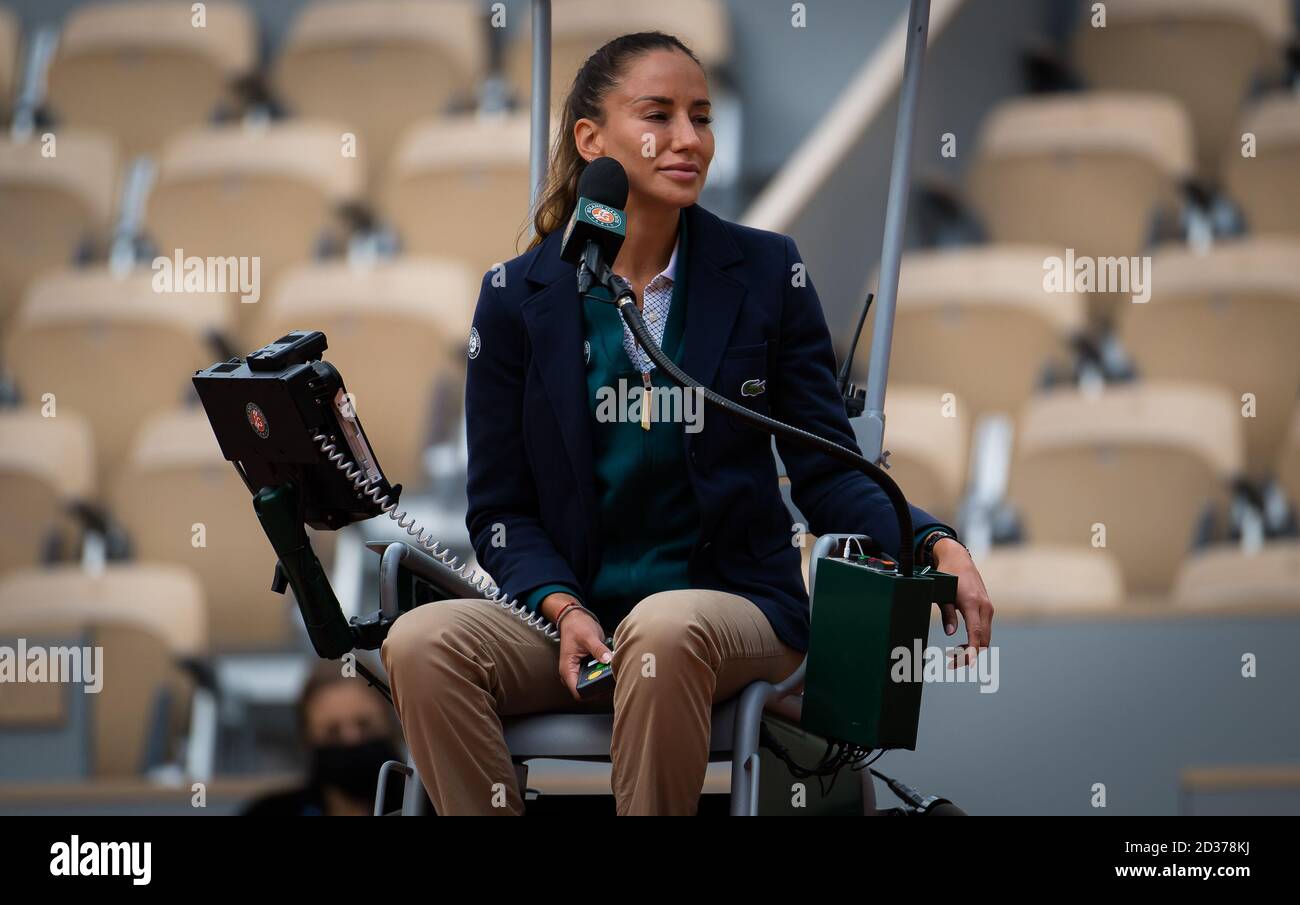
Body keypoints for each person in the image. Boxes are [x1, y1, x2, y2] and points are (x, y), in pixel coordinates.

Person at [382, 31, 994, 816]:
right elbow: (500, 509)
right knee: (420, 644)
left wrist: (930, 539)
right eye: (659, 114)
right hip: (573, 619)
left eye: (701, 117)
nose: (689, 139)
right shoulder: (514, 297)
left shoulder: (768, 271)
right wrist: (564, 610)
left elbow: (829, 470)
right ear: (591, 140)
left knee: (663, 629)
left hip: (732, 610)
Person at [243, 661, 403, 816]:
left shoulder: (423, 805)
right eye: (332, 732)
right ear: (307, 737)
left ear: (392, 723)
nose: (351, 739)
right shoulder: (268, 811)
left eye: (365, 725)